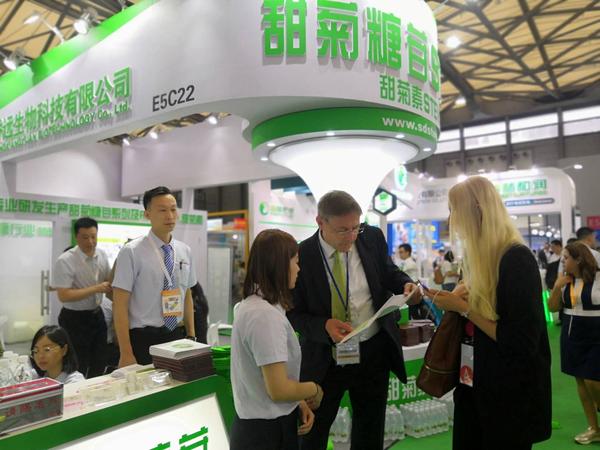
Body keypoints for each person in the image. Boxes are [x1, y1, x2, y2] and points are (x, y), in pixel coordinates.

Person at [423, 176, 551, 450]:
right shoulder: (476, 258)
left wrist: (464, 308)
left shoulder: (516, 259)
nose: (451, 219)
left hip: (508, 394)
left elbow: (520, 342)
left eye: (455, 210)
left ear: (477, 210)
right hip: (472, 384)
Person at [287, 190, 421, 450]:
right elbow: (293, 313)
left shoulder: (371, 237)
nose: (351, 236)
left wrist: (406, 284)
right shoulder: (302, 255)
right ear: (320, 222)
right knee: (313, 432)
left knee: (370, 428)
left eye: (355, 228)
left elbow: (389, 272)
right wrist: (323, 326)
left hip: (372, 351)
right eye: (342, 230)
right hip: (325, 356)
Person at [230, 229, 322, 450]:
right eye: (295, 262)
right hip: (266, 434)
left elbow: (266, 379)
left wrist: (297, 401)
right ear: (279, 265)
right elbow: (278, 389)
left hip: (261, 427)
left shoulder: (255, 306)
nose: (298, 269)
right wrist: (314, 389)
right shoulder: (264, 315)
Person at [112, 186, 197, 367]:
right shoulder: (131, 252)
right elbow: (119, 304)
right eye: (162, 210)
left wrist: (191, 335)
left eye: (173, 209)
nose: (170, 216)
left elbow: (187, 294)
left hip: (176, 335)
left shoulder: (185, 250)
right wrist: (126, 352)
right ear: (147, 214)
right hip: (143, 338)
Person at [548, 242, 600, 445]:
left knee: (593, 380)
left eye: (566, 258)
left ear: (579, 259)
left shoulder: (598, 277)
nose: (563, 261)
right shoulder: (565, 281)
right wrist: (556, 287)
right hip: (572, 334)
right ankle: (594, 428)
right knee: (581, 382)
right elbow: (553, 308)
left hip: (596, 334)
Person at [52, 217, 111, 378]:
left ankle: (95, 389)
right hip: (74, 318)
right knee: (79, 363)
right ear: (76, 237)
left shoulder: (102, 255)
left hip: (97, 314)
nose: (90, 242)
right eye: (85, 237)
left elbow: (108, 281)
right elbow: (64, 295)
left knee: (100, 359)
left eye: (93, 236)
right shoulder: (66, 260)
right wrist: (96, 288)